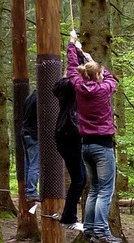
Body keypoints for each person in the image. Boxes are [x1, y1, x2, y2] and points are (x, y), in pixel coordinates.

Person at [67, 30, 120, 243]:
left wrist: (72, 44)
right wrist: (91, 60)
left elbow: (72, 69)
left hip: (85, 146)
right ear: (98, 75)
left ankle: (89, 228)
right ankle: (101, 230)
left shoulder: (79, 87)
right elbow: (110, 77)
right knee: (105, 190)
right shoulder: (105, 88)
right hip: (103, 146)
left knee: (95, 189)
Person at [54, 52, 86, 231]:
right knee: (79, 179)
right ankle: (68, 217)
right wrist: (73, 48)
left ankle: (69, 216)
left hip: (67, 135)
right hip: (69, 135)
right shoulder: (71, 86)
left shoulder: (65, 86)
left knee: (81, 178)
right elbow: (74, 73)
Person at [21, 90, 40, 202]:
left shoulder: (30, 97)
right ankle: (31, 191)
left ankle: (29, 190)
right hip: (33, 135)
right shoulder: (40, 100)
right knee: (34, 164)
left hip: (26, 133)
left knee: (28, 163)